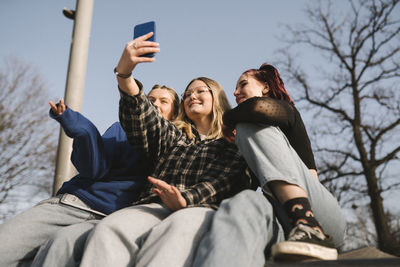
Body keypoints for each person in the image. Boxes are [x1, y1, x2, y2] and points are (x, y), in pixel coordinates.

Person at [78, 32, 254, 267]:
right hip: (153, 206)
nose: (192, 95)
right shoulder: (175, 137)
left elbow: (230, 178)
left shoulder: (234, 137)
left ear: (217, 96)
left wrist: (185, 199)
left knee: (175, 234)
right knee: (109, 229)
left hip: (202, 210)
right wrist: (125, 75)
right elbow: (144, 115)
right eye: (187, 94)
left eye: (201, 91)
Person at [0, 83, 179, 267]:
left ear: (174, 114)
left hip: (105, 222)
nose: (155, 104)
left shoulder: (177, 146)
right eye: (151, 100)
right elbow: (95, 167)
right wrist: (81, 128)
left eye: (163, 101)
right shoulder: (122, 130)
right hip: (75, 206)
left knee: (58, 248)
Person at [192, 63, 346, 266]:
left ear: (265, 86)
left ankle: (307, 224)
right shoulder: (239, 139)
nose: (236, 92)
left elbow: (257, 108)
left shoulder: (287, 114)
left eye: (243, 84)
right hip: (284, 225)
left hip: (321, 217)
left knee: (249, 123)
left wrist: (228, 119)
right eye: (236, 88)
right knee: (243, 202)